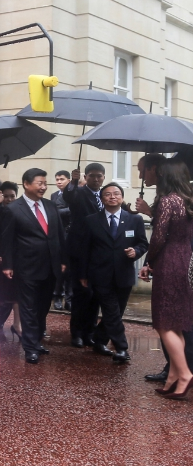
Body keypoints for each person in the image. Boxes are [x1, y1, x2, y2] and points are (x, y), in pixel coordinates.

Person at [1, 168, 67, 364]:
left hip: (51, 265)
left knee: (42, 306)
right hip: (26, 266)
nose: (44, 187)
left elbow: (59, 235)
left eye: (45, 184)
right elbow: (7, 240)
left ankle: (36, 341)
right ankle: (30, 347)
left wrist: (63, 260)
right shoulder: (13, 209)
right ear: (26, 184)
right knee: (28, 307)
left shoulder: (51, 206)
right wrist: (8, 264)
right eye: (40, 183)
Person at [139, 159, 193, 399]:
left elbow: (159, 237)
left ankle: (184, 375)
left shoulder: (167, 200)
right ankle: (173, 375)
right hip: (186, 260)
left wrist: (148, 261)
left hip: (169, 261)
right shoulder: (186, 200)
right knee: (176, 321)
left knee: (163, 322)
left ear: (163, 174)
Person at [79, 182, 148, 363]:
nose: (112, 197)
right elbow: (85, 249)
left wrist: (136, 252)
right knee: (111, 311)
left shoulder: (135, 220)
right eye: (108, 194)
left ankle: (100, 340)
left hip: (124, 274)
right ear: (102, 199)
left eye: (116, 193)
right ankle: (122, 348)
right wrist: (83, 274)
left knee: (116, 312)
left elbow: (143, 243)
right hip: (100, 274)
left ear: (122, 197)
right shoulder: (92, 220)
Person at [63, 162, 106, 348]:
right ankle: (77, 333)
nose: (96, 179)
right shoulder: (79, 192)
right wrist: (73, 180)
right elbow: (68, 195)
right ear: (86, 177)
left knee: (96, 294)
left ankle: (90, 331)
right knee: (82, 293)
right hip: (80, 251)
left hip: (99, 251)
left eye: (99, 176)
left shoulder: (106, 194)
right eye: (92, 176)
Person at [0, 182, 21, 340]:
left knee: (15, 295)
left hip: (13, 260)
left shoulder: (18, 212)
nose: (9, 199)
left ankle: (17, 325)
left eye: (12, 196)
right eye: (6, 196)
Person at [51, 169, 72, 309]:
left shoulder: (73, 193)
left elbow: (73, 210)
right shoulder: (54, 195)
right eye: (57, 179)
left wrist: (57, 212)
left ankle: (69, 297)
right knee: (59, 267)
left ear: (69, 180)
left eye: (62, 179)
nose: (59, 182)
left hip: (71, 233)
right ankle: (57, 295)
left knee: (70, 268)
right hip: (58, 234)